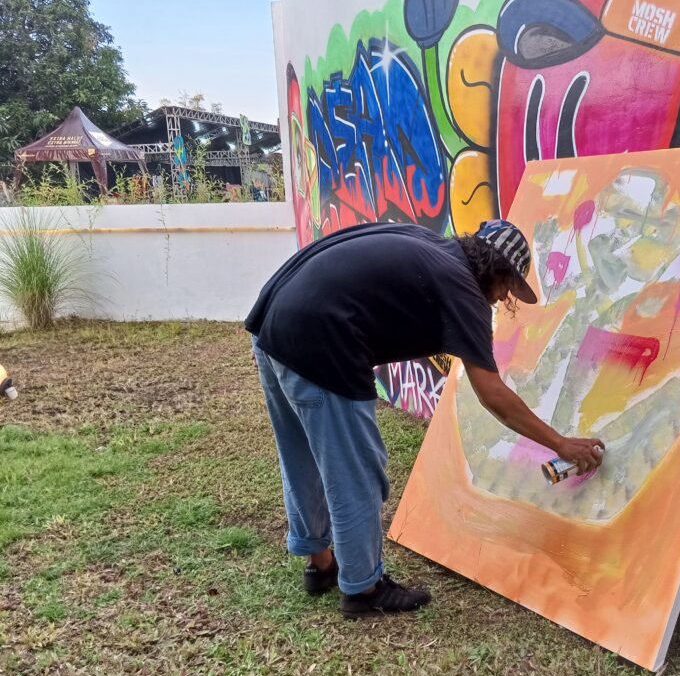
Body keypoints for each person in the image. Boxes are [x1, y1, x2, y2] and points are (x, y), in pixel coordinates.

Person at [245, 220, 605, 619]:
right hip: (321, 340)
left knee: (302, 456)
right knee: (355, 470)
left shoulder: (430, 247)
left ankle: (321, 564)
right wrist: (560, 443)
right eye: (507, 288)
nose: (503, 298)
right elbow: (493, 395)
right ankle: (363, 588)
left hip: (273, 322)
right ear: (498, 272)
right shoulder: (463, 290)